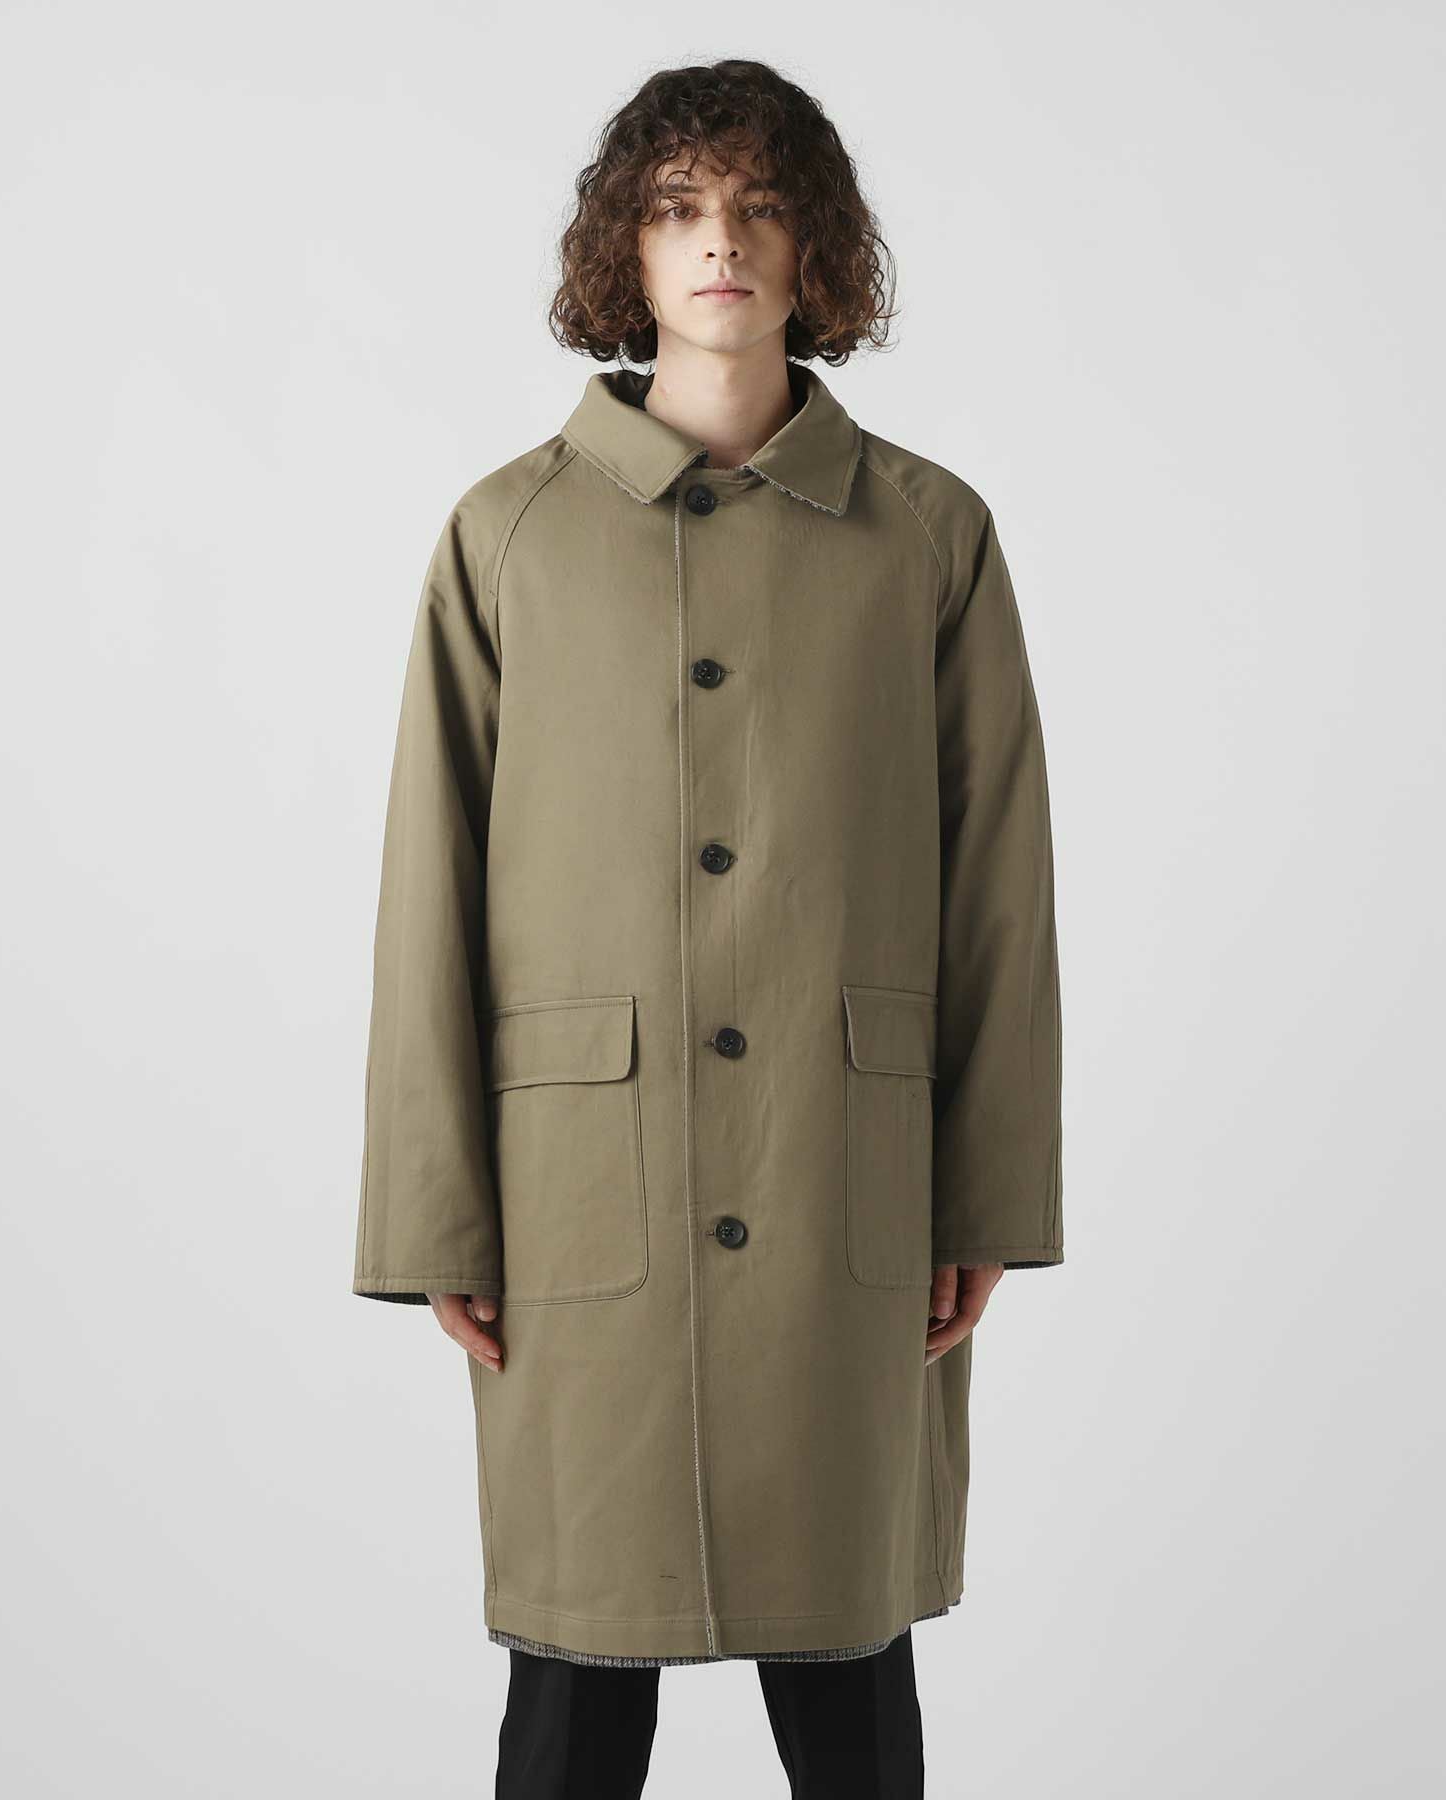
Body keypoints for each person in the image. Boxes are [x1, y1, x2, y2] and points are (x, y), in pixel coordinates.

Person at [351, 57, 1064, 1799]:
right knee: (574, 1690)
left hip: (844, 1177)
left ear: (817, 248)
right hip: (583, 1197)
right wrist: (438, 1210)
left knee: (853, 1683)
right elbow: (429, 884)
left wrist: (984, 1194)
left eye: (756, 206)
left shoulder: (929, 538)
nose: (721, 242)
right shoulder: (511, 536)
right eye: (678, 209)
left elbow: (999, 886)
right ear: (629, 250)